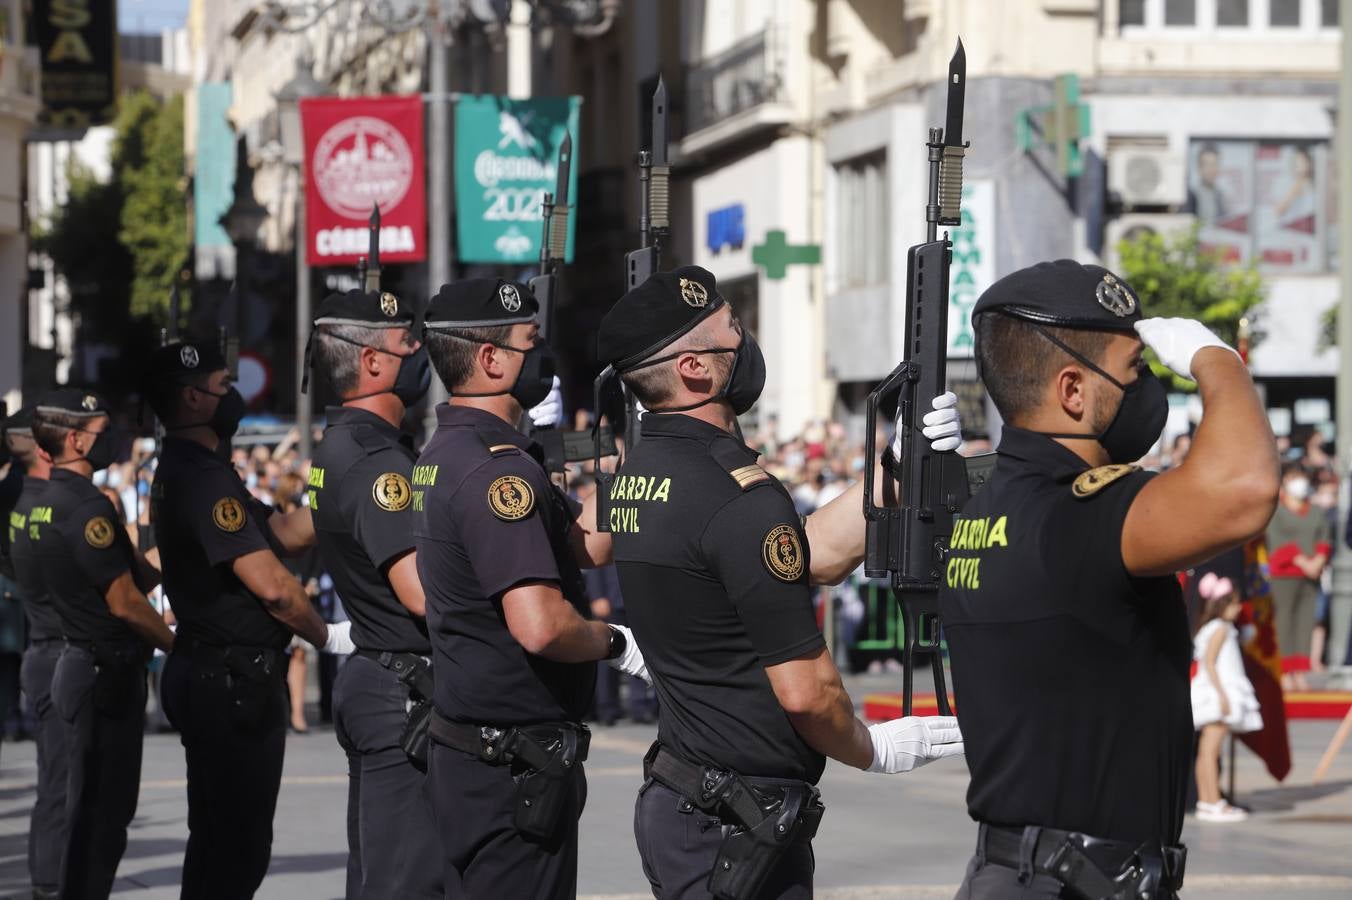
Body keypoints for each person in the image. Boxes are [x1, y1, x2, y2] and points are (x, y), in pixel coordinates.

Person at [594, 265, 965, 899]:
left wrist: (898, 466)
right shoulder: (734, 494)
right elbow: (808, 694)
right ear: (695, 370)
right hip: (735, 826)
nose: (745, 340)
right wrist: (871, 747)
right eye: (731, 330)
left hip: (691, 804)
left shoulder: (646, 469)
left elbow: (803, 553)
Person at [940, 259, 1279, 899]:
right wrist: (1217, 360)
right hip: (1082, 881)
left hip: (1013, 872)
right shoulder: (1079, 510)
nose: (1147, 386)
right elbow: (1246, 489)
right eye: (1135, 371)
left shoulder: (985, 506)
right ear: (1073, 390)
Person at [412, 278, 647, 899]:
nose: (542, 359)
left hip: (482, 753)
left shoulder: (453, 451)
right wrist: (615, 643)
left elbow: (589, 542)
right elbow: (540, 624)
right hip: (508, 764)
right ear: (490, 360)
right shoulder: (496, 472)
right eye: (530, 342)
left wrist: (642, 460)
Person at [140, 341, 353, 900]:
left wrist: (348, 501)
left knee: (216, 841)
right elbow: (274, 588)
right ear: (193, 397)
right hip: (230, 679)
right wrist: (327, 634)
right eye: (222, 384)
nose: (231, 394)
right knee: (236, 849)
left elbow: (281, 531)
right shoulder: (204, 478)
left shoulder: (197, 468)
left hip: (213, 671)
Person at [303, 287, 442, 899]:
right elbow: (421, 593)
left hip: (379, 674)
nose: (417, 350)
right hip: (401, 686)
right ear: (372, 362)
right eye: (405, 342)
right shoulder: (374, 461)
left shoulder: (347, 447)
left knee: (380, 875)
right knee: (404, 882)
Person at [29, 390, 177, 899]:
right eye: (99, 429)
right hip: (101, 671)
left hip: (78, 660)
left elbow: (135, 577)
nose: (107, 437)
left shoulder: (50, 502)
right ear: (74, 439)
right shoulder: (86, 507)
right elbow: (126, 602)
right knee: (102, 817)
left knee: (87, 812)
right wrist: (178, 647)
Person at [4, 406, 69, 899]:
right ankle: (51, 881)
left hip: (43, 645)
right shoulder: (43, 500)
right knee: (61, 784)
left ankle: (49, 879)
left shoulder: (21, 497)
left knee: (55, 783)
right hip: (59, 651)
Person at [1190, 573, 1262, 824]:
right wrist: (1222, 694)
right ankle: (1211, 801)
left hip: (1211, 691)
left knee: (1206, 751)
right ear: (1223, 606)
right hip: (1216, 694)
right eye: (1234, 603)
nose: (1239, 608)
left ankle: (1208, 800)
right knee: (1210, 751)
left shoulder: (1211, 628)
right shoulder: (1220, 628)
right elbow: (1210, 662)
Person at [1266, 462, 1330, 690]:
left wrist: (1319, 560)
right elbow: (1277, 540)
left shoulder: (1315, 511)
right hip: (1284, 574)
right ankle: (1285, 671)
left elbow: (1324, 538)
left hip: (1311, 575)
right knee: (1283, 622)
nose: (1299, 483)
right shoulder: (1277, 510)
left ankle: (1300, 671)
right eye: (1294, 477)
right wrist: (1302, 561)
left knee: (1306, 621)